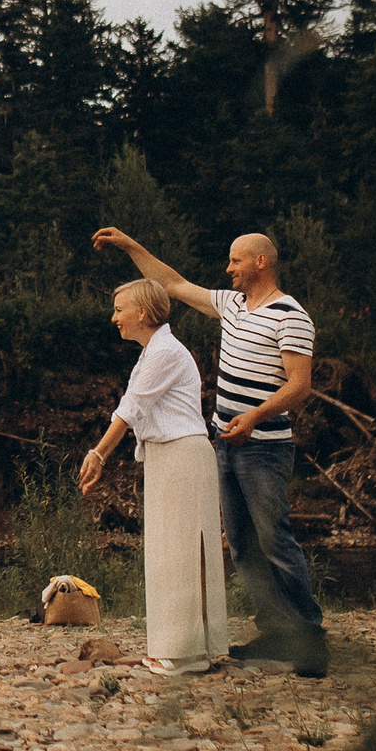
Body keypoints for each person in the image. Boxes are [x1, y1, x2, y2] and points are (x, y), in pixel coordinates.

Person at [91, 227, 327, 677]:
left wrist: (254, 417)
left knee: (275, 540)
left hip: (265, 446)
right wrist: (130, 244)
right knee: (242, 546)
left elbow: (300, 385)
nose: (228, 268)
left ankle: (310, 638)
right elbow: (173, 283)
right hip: (225, 444)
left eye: (236, 260)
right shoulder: (231, 305)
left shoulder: (291, 315)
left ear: (261, 262)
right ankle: (277, 631)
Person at [79, 278, 227, 674]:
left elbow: (132, 408)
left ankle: (184, 654)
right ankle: (180, 649)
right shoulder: (152, 352)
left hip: (183, 455)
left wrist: (99, 453)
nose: (114, 318)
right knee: (167, 553)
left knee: (181, 553)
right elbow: (134, 406)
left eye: (119, 310)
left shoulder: (165, 351)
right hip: (168, 456)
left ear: (143, 313)